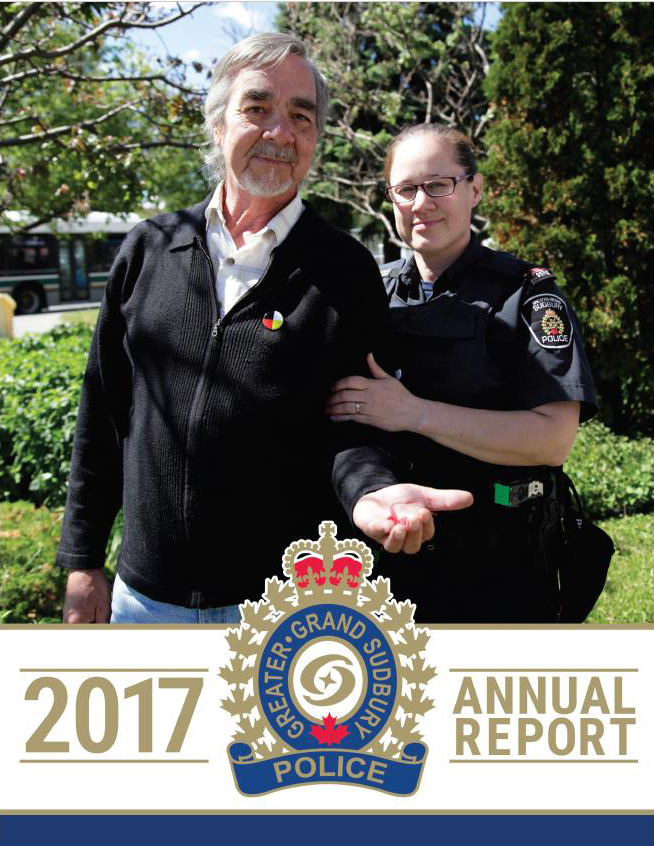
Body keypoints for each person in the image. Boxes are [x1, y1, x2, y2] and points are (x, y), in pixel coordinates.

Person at [56, 37, 472, 624]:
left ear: (315, 140)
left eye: (301, 116)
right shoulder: (148, 251)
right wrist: (82, 560)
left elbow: (357, 426)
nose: (280, 132)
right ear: (218, 122)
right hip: (143, 602)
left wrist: (372, 491)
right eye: (257, 109)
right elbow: (102, 414)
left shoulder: (346, 271)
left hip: (282, 607)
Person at [328, 123, 597, 623]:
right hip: (392, 557)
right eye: (405, 189)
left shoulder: (526, 295)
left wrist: (412, 413)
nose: (421, 202)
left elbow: (552, 439)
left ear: (474, 189)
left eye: (438, 184)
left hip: (499, 563)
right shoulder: (371, 293)